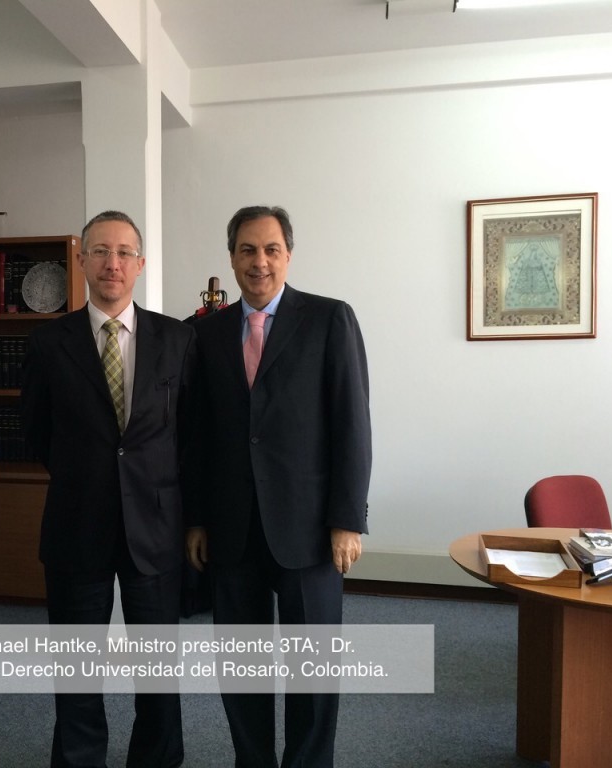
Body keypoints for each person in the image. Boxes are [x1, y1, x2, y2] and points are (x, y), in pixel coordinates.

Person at [185, 205, 371, 768]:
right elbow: (196, 435)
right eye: (247, 250)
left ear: (288, 255)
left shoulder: (330, 319)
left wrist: (347, 520)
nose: (259, 261)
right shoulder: (205, 332)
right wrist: (196, 519)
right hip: (232, 529)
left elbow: (352, 425)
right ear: (231, 257)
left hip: (309, 528)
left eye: (271, 249)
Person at [21, 210, 196, 768]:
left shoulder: (178, 339)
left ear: (140, 264)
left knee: (158, 671)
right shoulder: (48, 343)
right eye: (100, 251)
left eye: (123, 252)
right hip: (77, 524)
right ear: (82, 261)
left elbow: (189, 434)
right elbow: (37, 431)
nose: (111, 263)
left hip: (156, 527)